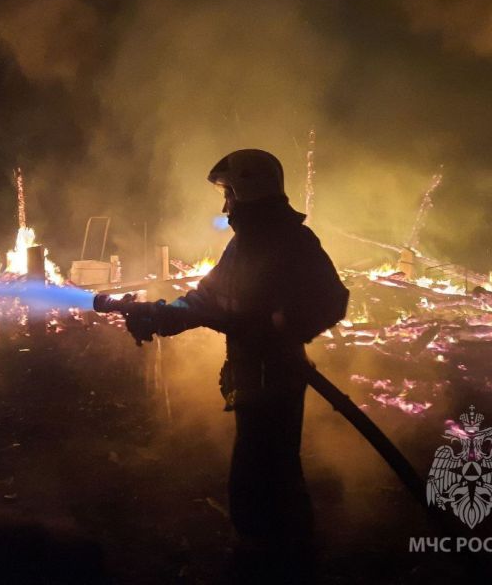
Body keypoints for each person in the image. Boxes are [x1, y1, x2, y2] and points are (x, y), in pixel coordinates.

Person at [120, 149, 349, 581]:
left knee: (267, 471)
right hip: (250, 375)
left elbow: (332, 300)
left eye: (228, 194)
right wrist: (160, 314)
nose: (225, 206)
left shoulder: (294, 242)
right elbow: (209, 301)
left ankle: (277, 560)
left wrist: (283, 325)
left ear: (249, 190)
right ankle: (276, 552)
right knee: (263, 470)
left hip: (278, 377)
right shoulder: (242, 247)